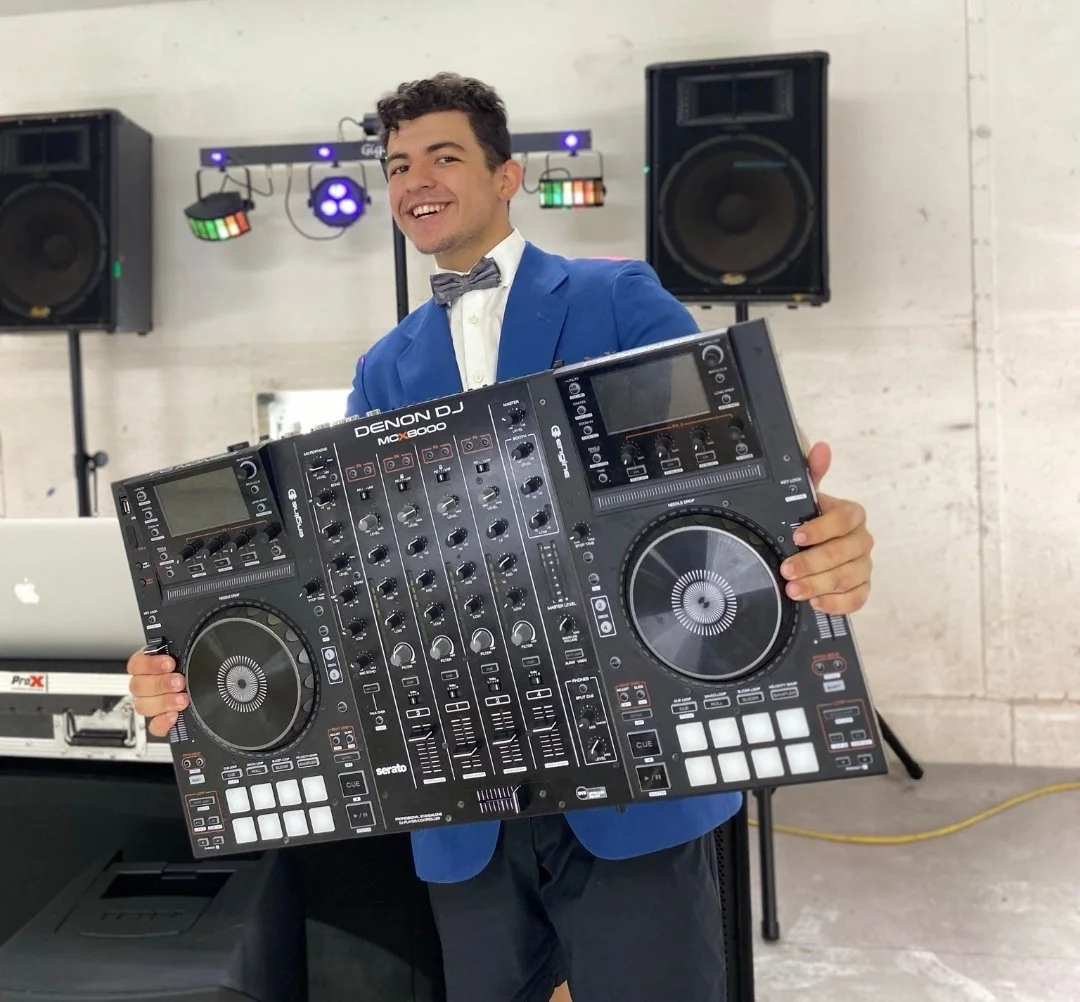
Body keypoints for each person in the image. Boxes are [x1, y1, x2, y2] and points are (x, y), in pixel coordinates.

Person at [127, 73, 874, 1002]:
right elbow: (346, 574)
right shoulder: (382, 368)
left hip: (631, 768)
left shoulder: (616, 296)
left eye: (443, 156)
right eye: (398, 165)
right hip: (461, 795)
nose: (415, 180)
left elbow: (736, 474)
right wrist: (187, 660)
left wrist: (817, 537)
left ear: (507, 175)